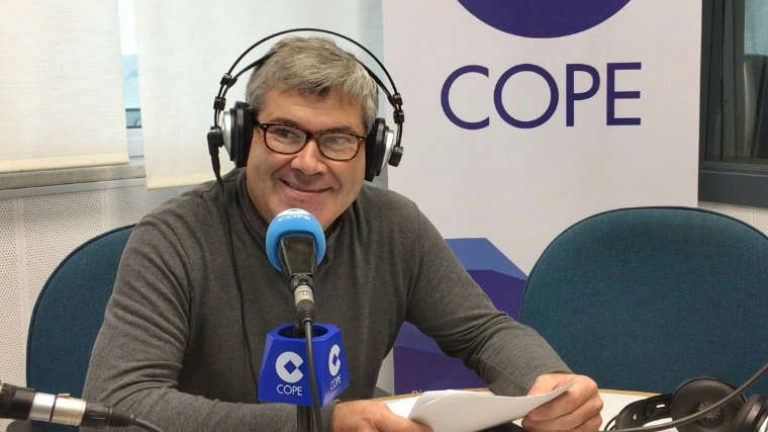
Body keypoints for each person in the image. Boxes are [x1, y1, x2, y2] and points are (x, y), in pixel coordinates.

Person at [82, 35, 603, 431]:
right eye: (285, 132)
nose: (308, 163)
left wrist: (548, 384)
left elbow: (483, 332)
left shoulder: (393, 226)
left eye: (337, 140)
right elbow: (117, 405)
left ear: (371, 154)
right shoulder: (175, 239)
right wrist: (321, 424)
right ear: (242, 138)